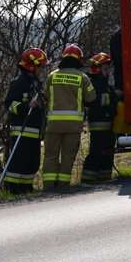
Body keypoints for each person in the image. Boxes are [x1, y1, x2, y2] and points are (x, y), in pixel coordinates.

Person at [42, 44, 95, 190]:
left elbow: (44, 95)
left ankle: (48, 186)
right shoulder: (82, 77)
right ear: (79, 60)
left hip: (53, 125)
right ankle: (63, 185)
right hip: (73, 125)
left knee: (50, 155)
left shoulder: (52, 76)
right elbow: (91, 98)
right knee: (68, 156)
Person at [2, 48, 48, 194]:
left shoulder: (35, 82)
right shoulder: (19, 82)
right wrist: (26, 106)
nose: (43, 70)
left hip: (34, 131)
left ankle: (26, 189)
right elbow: (9, 104)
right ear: (32, 66)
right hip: (22, 130)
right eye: (41, 66)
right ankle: (13, 190)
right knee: (19, 162)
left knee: (31, 163)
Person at [82, 52, 118, 182]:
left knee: (108, 152)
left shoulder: (106, 85)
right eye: (105, 68)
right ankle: (87, 180)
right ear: (97, 69)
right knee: (96, 153)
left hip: (109, 125)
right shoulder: (93, 84)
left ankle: (105, 177)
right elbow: (95, 102)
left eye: (109, 68)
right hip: (98, 125)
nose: (108, 71)